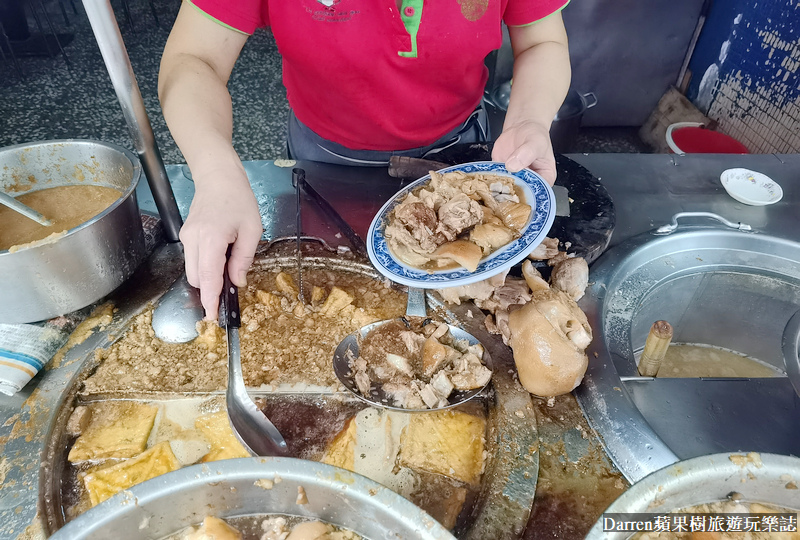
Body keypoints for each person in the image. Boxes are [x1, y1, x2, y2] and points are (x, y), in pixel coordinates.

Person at [158, 0, 571, 318]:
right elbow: (195, 58)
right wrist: (216, 176)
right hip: (322, 162)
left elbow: (541, 40)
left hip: (458, 154)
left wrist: (529, 119)